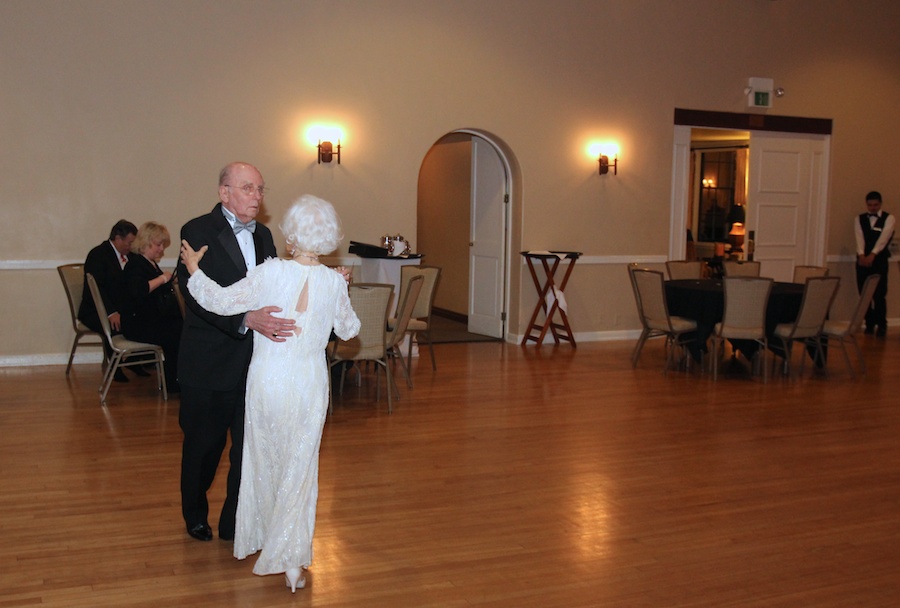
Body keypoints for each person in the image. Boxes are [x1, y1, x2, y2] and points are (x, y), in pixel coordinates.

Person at [180, 195, 359, 592]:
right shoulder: (332, 281)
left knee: (263, 459)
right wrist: (340, 288)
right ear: (329, 235)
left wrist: (194, 268)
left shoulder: (270, 273)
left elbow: (218, 300)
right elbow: (348, 330)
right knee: (301, 467)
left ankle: (262, 538)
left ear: (291, 233)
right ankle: (292, 559)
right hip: (310, 383)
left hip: (269, 381)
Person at [176, 162, 295, 544]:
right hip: (209, 362)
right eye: (248, 188)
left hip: (254, 365)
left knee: (247, 451)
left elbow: (273, 289)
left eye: (260, 189)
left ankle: (234, 522)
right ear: (224, 192)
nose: (257, 197)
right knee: (203, 449)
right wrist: (245, 319)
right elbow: (196, 296)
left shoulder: (263, 235)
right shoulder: (196, 230)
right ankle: (195, 514)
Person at [121, 222, 183, 391]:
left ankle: (175, 380)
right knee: (176, 333)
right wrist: (163, 278)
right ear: (146, 243)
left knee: (179, 328)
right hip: (137, 325)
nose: (161, 249)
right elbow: (139, 291)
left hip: (147, 321)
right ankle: (173, 383)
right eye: (158, 245)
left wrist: (169, 279)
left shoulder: (148, 264)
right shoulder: (135, 265)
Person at [78, 219, 140, 383]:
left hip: (119, 309)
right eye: (129, 242)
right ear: (118, 239)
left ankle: (135, 360)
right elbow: (97, 289)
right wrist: (111, 312)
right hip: (94, 310)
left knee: (140, 318)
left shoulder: (131, 257)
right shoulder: (98, 255)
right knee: (114, 324)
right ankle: (115, 367)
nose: (131, 246)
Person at [854, 190, 895, 337]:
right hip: (862, 259)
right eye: (870, 205)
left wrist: (873, 254)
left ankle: (881, 324)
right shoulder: (859, 219)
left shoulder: (889, 218)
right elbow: (859, 237)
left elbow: (883, 238)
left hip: (879, 261)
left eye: (875, 205)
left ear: (880, 203)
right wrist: (861, 254)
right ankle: (869, 323)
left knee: (879, 294)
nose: (872, 208)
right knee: (864, 294)